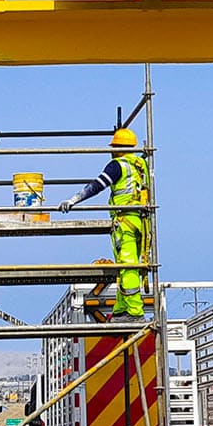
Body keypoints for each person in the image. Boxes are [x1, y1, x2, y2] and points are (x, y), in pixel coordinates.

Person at [55, 128, 152, 318]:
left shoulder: (117, 165)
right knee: (124, 266)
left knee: (128, 265)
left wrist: (74, 200)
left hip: (125, 222)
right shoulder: (140, 165)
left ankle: (134, 311)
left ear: (116, 148)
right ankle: (122, 309)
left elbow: (97, 185)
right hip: (141, 222)